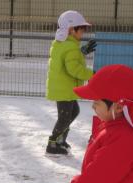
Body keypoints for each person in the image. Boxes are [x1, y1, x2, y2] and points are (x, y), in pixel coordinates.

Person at [45, 10, 95, 155]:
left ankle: (60, 140)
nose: (83, 33)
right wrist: (92, 74)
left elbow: (69, 57)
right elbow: (74, 69)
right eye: (82, 29)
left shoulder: (61, 43)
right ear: (72, 30)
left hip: (63, 88)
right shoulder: (71, 46)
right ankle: (52, 143)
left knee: (73, 112)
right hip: (64, 89)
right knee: (65, 116)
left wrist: (82, 52)